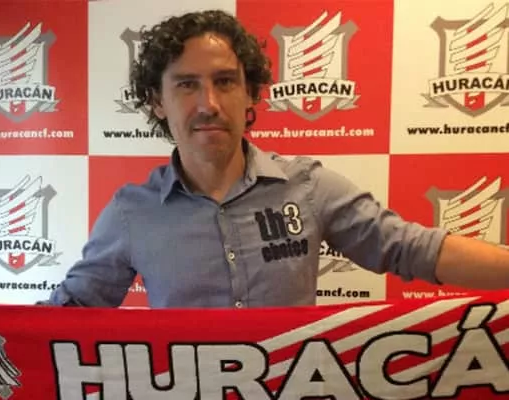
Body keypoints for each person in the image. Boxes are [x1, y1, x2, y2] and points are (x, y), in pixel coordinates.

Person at [44, 9, 509, 308]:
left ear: (250, 94)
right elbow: (70, 314)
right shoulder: (131, 212)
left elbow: (411, 248)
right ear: (157, 102)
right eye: (186, 85)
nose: (208, 103)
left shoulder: (308, 186)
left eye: (225, 82)